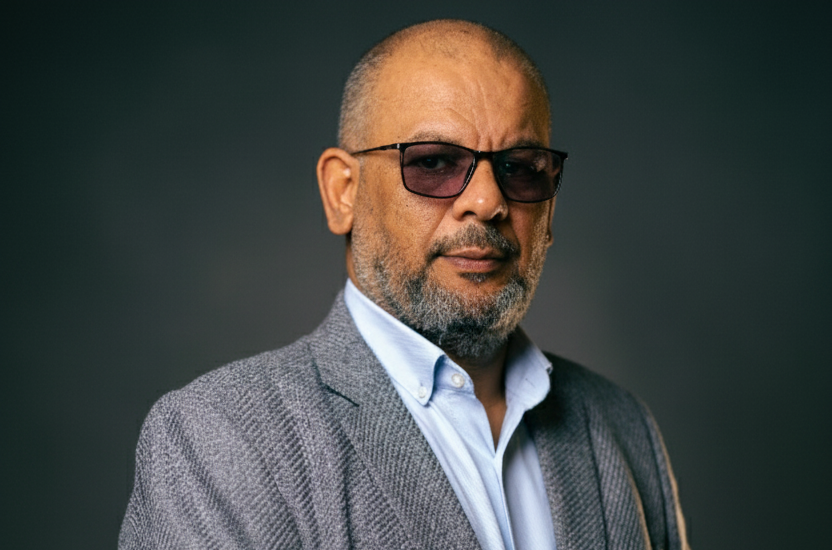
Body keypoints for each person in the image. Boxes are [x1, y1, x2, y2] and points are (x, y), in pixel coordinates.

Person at [120, 19, 689, 550]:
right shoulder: (221, 438)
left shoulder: (623, 426)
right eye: (434, 162)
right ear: (343, 192)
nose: (487, 201)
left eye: (520, 167)